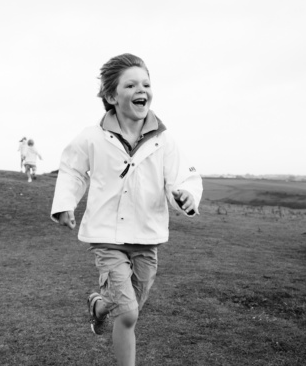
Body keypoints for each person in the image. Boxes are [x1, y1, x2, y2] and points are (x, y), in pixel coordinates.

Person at [50, 53, 202, 366]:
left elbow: (183, 177)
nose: (141, 89)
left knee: (126, 306)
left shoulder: (164, 140)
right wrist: (65, 203)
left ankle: (98, 305)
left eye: (145, 83)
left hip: (147, 238)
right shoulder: (92, 137)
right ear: (111, 96)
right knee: (129, 313)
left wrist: (185, 195)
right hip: (107, 236)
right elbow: (72, 170)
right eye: (130, 84)